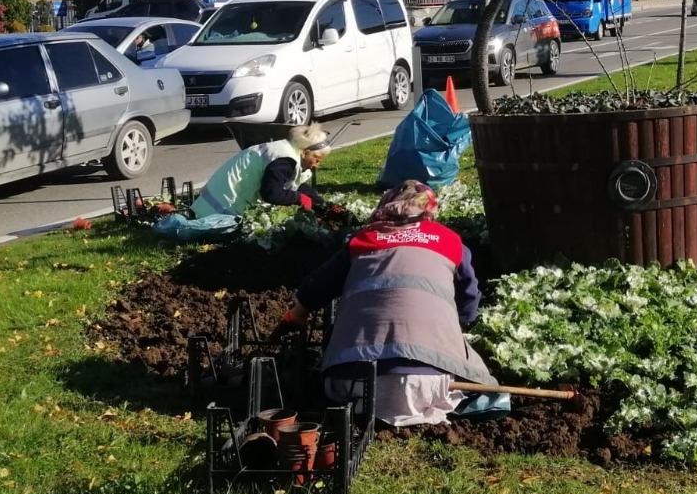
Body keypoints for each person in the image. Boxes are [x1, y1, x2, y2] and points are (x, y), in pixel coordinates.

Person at [277, 180, 499, 426]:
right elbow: (469, 299)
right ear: (429, 211)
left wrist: (296, 314)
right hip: (426, 386)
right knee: (478, 379)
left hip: (349, 385)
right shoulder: (450, 241)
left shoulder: (362, 240)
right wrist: (458, 326)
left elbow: (316, 287)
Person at [191, 123, 335, 219]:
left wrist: (322, 205)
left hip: (210, 206)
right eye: (317, 160)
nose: (317, 165)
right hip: (218, 213)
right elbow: (272, 194)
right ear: (306, 152)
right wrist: (298, 198)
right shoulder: (284, 160)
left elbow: (295, 185)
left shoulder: (287, 151)